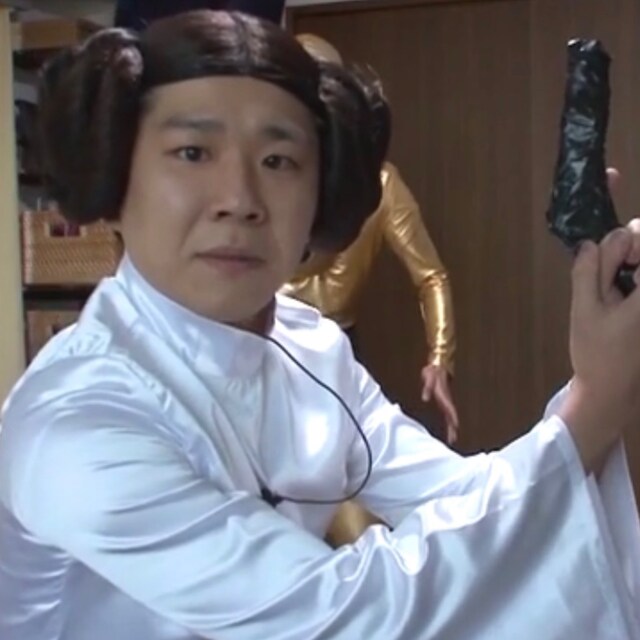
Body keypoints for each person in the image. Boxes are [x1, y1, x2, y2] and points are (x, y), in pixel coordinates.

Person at [0, 10, 639, 640]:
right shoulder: (76, 419)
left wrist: (600, 370)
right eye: (192, 152)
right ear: (115, 183)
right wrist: (598, 400)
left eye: (278, 160)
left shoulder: (311, 347)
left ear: (321, 195)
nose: (240, 200)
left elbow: (461, 499)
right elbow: (337, 615)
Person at [283, 34, 459, 446]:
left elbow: (431, 276)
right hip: (262, 338)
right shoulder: (270, 171)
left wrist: (440, 358)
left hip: (337, 345)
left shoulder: (380, 182)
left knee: (352, 456)